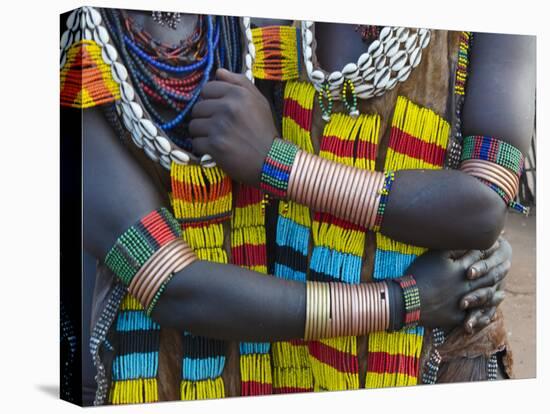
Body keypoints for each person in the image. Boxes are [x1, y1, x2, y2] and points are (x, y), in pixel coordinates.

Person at [61, 7, 533, 405]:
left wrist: (276, 162)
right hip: (236, 364)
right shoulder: (86, 36)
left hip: (439, 357)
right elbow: (170, 285)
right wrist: (403, 299)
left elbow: (483, 208)